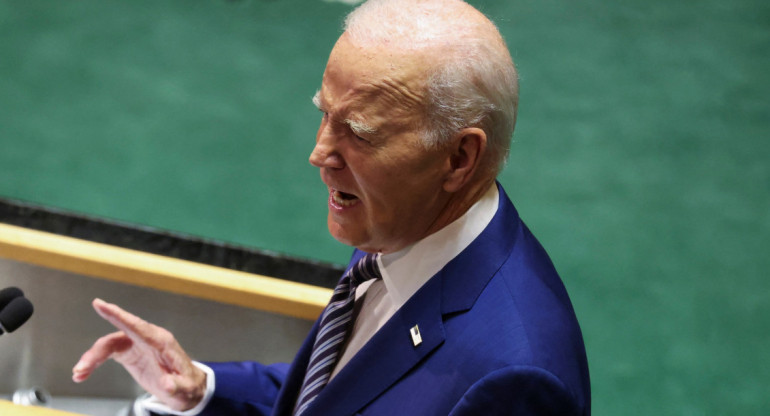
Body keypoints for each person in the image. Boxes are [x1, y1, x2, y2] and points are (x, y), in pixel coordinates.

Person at [72, 0, 591, 415]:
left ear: (458, 157)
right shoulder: (402, 229)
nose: (319, 153)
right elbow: (352, 387)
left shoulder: (514, 381)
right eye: (325, 115)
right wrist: (202, 387)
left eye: (360, 132)